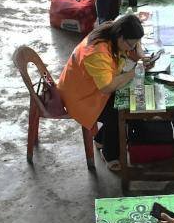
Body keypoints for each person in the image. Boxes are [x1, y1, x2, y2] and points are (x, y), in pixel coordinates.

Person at [57, 15, 145, 171]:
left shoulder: (112, 30)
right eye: (131, 45)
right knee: (120, 111)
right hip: (80, 97)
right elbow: (106, 87)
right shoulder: (97, 53)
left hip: (89, 87)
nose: (132, 48)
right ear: (121, 37)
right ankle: (110, 154)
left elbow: (131, 49)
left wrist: (138, 53)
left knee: (128, 101)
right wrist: (133, 73)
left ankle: (100, 139)